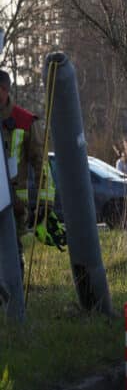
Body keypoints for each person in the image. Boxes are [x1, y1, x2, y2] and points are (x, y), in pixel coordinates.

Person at [1, 69, 64, 262]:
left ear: (4, 90)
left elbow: (41, 164)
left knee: (12, 258)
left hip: (14, 206)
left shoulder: (26, 121)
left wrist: (44, 204)